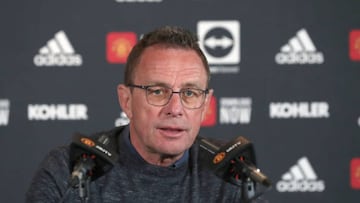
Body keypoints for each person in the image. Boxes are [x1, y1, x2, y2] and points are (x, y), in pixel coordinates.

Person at [26, 26, 265, 202]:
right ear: (126, 100)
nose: (175, 108)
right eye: (158, 91)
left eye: (190, 93)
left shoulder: (232, 173)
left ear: (205, 104)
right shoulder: (68, 169)